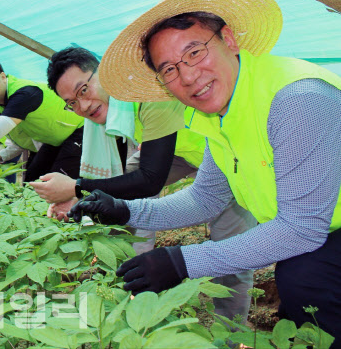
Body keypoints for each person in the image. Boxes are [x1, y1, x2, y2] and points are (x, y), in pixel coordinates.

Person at [69, 0, 341, 342]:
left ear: (228, 39)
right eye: (168, 69)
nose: (187, 76)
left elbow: (301, 228)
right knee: (300, 295)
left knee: (304, 276)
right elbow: (206, 198)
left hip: (319, 232)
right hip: (325, 231)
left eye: (195, 52)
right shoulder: (222, 113)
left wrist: (183, 263)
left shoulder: (295, 98)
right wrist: (125, 210)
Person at [33, 45, 255, 322]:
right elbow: (128, 181)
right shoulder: (119, 110)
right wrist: (81, 196)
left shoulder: (149, 92)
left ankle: (232, 332)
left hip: (227, 153)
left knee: (231, 246)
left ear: (105, 72)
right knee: (121, 196)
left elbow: (150, 181)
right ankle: (126, 275)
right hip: (183, 148)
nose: (83, 106)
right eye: (72, 102)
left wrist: (77, 187)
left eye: (83, 90)